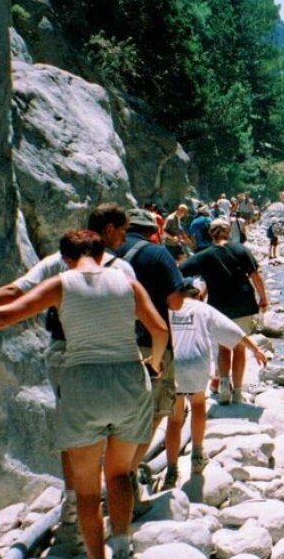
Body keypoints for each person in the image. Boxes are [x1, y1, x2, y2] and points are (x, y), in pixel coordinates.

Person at [0, 230, 168, 559]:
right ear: (102, 252)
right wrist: (156, 363)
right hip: (130, 377)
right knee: (120, 472)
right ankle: (122, 543)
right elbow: (159, 329)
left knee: (88, 487)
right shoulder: (129, 284)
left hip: (83, 381)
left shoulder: (62, 283)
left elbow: (6, 314)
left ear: (65, 257)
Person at [162, 279, 269, 489]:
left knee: (174, 419)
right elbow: (233, 332)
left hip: (173, 361)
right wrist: (255, 349)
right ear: (199, 295)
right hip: (196, 361)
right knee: (198, 405)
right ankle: (197, 455)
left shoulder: (168, 306)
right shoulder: (204, 309)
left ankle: (172, 469)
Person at [117, 209, 186, 511]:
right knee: (154, 410)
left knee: (115, 416)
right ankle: (128, 475)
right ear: (151, 231)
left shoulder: (103, 254)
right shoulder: (158, 255)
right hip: (152, 344)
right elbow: (176, 302)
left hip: (109, 344)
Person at [180, 218, 269, 405]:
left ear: (210, 234)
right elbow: (255, 275)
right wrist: (263, 298)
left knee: (223, 348)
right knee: (239, 348)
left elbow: (181, 270)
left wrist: (193, 295)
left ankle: (223, 389)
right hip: (244, 303)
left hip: (219, 306)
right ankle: (237, 393)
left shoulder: (204, 255)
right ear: (228, 232)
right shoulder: (241, 249)